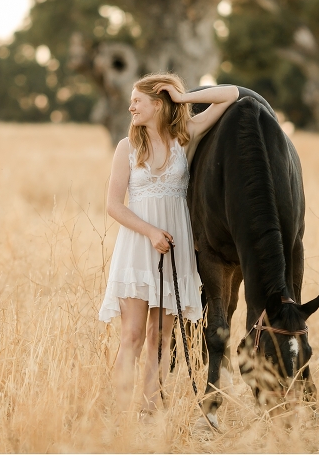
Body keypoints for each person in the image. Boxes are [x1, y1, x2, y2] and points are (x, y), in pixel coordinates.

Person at [98, 72, 239, 413]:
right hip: (138, 246)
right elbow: (113, 205)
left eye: (138, 101)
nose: (131, 106)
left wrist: (184, 97)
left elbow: (231, 94)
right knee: (131, 334)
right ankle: (117, 411)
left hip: (174, 250)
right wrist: (149, 232)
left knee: (160, 337)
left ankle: (152, 407)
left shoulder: (185, 136)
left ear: (158, 105)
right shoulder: (127, 147)